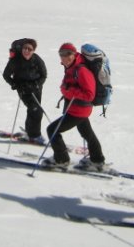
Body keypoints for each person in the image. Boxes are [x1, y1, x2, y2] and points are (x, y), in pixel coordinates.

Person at [43, 43, 106, 171]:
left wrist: (69, 91)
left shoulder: (81, 70)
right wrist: (66, 89)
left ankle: (61, 160)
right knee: (88, 134)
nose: (65, 57)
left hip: (78, 110)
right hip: (78, 109)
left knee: (52, 130)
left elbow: (89, 95)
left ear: (74, 54)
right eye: (62, 54)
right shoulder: (71, 67)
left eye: (68, 53)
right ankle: (97, 160)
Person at [2, 38, 47, 144]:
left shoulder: (37, 60)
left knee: (34, 109)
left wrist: (36, 85)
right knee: (36, 110)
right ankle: (34, 135)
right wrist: (15, 84)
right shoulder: (15, 60)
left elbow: (44, 75)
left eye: (29, 49)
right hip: (23, 89)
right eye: (25, 48)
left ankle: (29, 131)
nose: (26, 51)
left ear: (33, 51)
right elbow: (6, 75)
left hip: (36, 89)